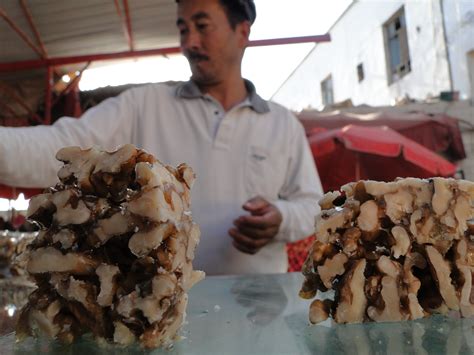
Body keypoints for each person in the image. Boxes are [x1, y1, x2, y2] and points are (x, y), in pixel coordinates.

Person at [0, 0, 323, 275]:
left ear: (242, 32)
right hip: (158, 312)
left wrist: (281, 219)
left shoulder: (282, 124)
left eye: (202, 25)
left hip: (257, 311)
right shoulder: (144, 105)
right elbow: (62, 147)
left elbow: (312, 206)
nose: (190, 42)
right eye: (183, 29)